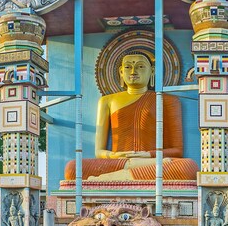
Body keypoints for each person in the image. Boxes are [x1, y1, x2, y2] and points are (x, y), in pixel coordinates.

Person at [64, 51, 198, 181]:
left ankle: (111, 179)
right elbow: (99, 152)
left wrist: (148, 155)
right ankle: (129, 173)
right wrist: (114, 155)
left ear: (152, 71)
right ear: (121, 72)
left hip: (152, 161)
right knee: (72, 168)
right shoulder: (107, 101)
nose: (133, 71)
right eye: (128, 67)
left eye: (140, 66)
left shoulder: (168, 100)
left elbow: (177, 151)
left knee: (188, 167)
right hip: (120, 162)